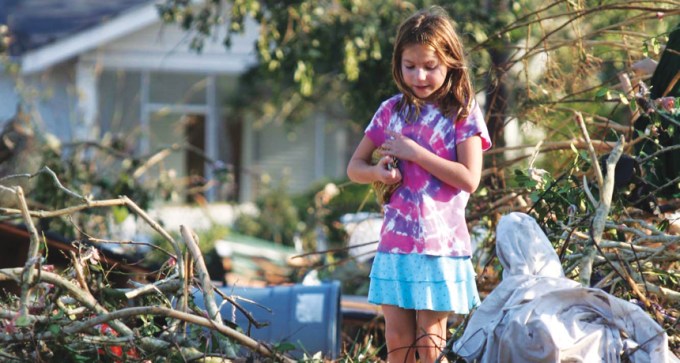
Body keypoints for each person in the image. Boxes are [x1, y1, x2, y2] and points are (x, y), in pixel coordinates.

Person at [346, 6, 492, 363]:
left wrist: (416, 153)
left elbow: (470, 179)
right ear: (398, 64)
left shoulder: (462, 111)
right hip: (395, 243)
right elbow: (354, 167)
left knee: (430, 344)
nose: (420, 76)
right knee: (396, 339)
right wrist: (379, 172)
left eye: (430, 67)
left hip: (439, 246)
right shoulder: (390, 110)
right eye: (410, 66)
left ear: (451, 62)